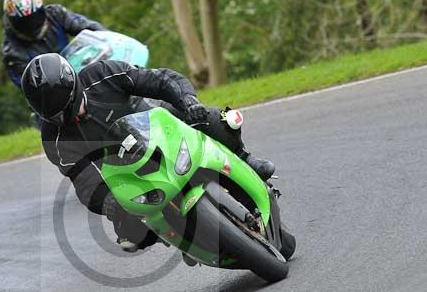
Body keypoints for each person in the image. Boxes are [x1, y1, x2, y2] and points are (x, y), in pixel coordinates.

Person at [21, 53, 276, 252]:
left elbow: (161, 80)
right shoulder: (53, 138)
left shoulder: (102, 74)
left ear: (74, 85)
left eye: (67, 108)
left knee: (215, 119)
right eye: (56, 116)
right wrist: (108, 201)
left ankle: (244, 159)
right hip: (130, 175)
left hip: (163, 129)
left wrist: (188, 100)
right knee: (130, 236)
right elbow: (85, 181)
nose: (67, 118)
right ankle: (186, 237)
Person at [1, 0, 105, 87]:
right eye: (25, 22)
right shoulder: (12, 53)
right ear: (12, 21)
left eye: (34, 17)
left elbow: (89, 27)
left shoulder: (55, 14)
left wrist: (109, 39)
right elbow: (32, 86)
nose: (31, 24)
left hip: (81, 68)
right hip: (54, 93)